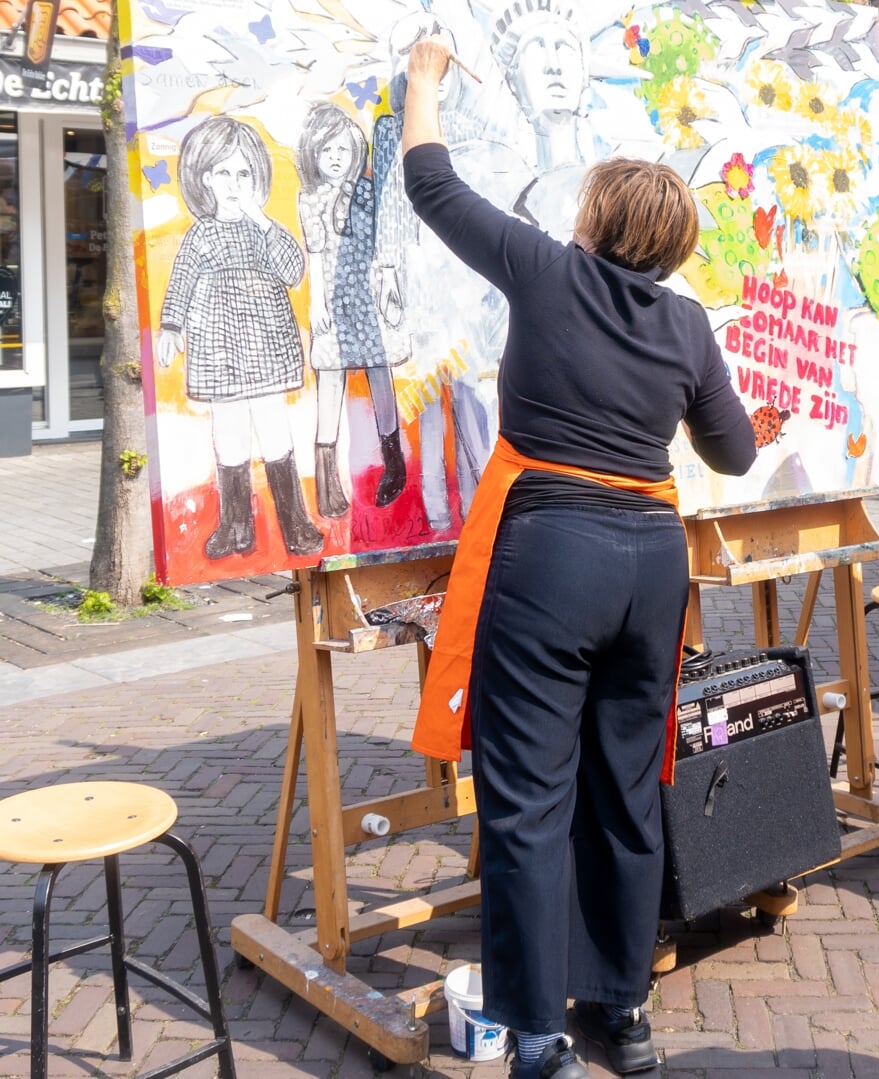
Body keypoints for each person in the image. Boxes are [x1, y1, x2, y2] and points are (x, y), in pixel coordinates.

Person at [401, 37, 756, 1079]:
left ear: (593, 223)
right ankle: (622, 1012)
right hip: (651, 563)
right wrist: (749, 424)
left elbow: (431, 180)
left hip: (553, 553)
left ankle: (542, 1035)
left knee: (527, 798)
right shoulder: (687, 322)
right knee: (624, 786)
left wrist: (423, 83)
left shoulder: (547, 270)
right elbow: (729, 452)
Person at [157, 115, 325, 561]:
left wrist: (263, 221)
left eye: (244, 173)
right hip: (217, 346)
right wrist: (171, 326)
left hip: (265, 344)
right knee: (229, 437)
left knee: (274, 433)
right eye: (224, 172)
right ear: (206, 177)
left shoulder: (264, 230)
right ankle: (235, 526)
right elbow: (181, 282)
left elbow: (293, 271)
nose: (234, 183)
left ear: (256, 177)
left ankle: (296, 524)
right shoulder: (200, 235)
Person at [297, 103, 408, 519]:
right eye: (327, 150)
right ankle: (327, 477)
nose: (337, 157)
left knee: (381, 372)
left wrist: (389, 283)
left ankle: (393, 462)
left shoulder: (368, 192)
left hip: (368, 296)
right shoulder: (310, 199)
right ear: (313, 154)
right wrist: (316, 302)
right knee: (330, 378)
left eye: (344, 149)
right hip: (334, 299)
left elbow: (385, 242)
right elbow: (316, 253)